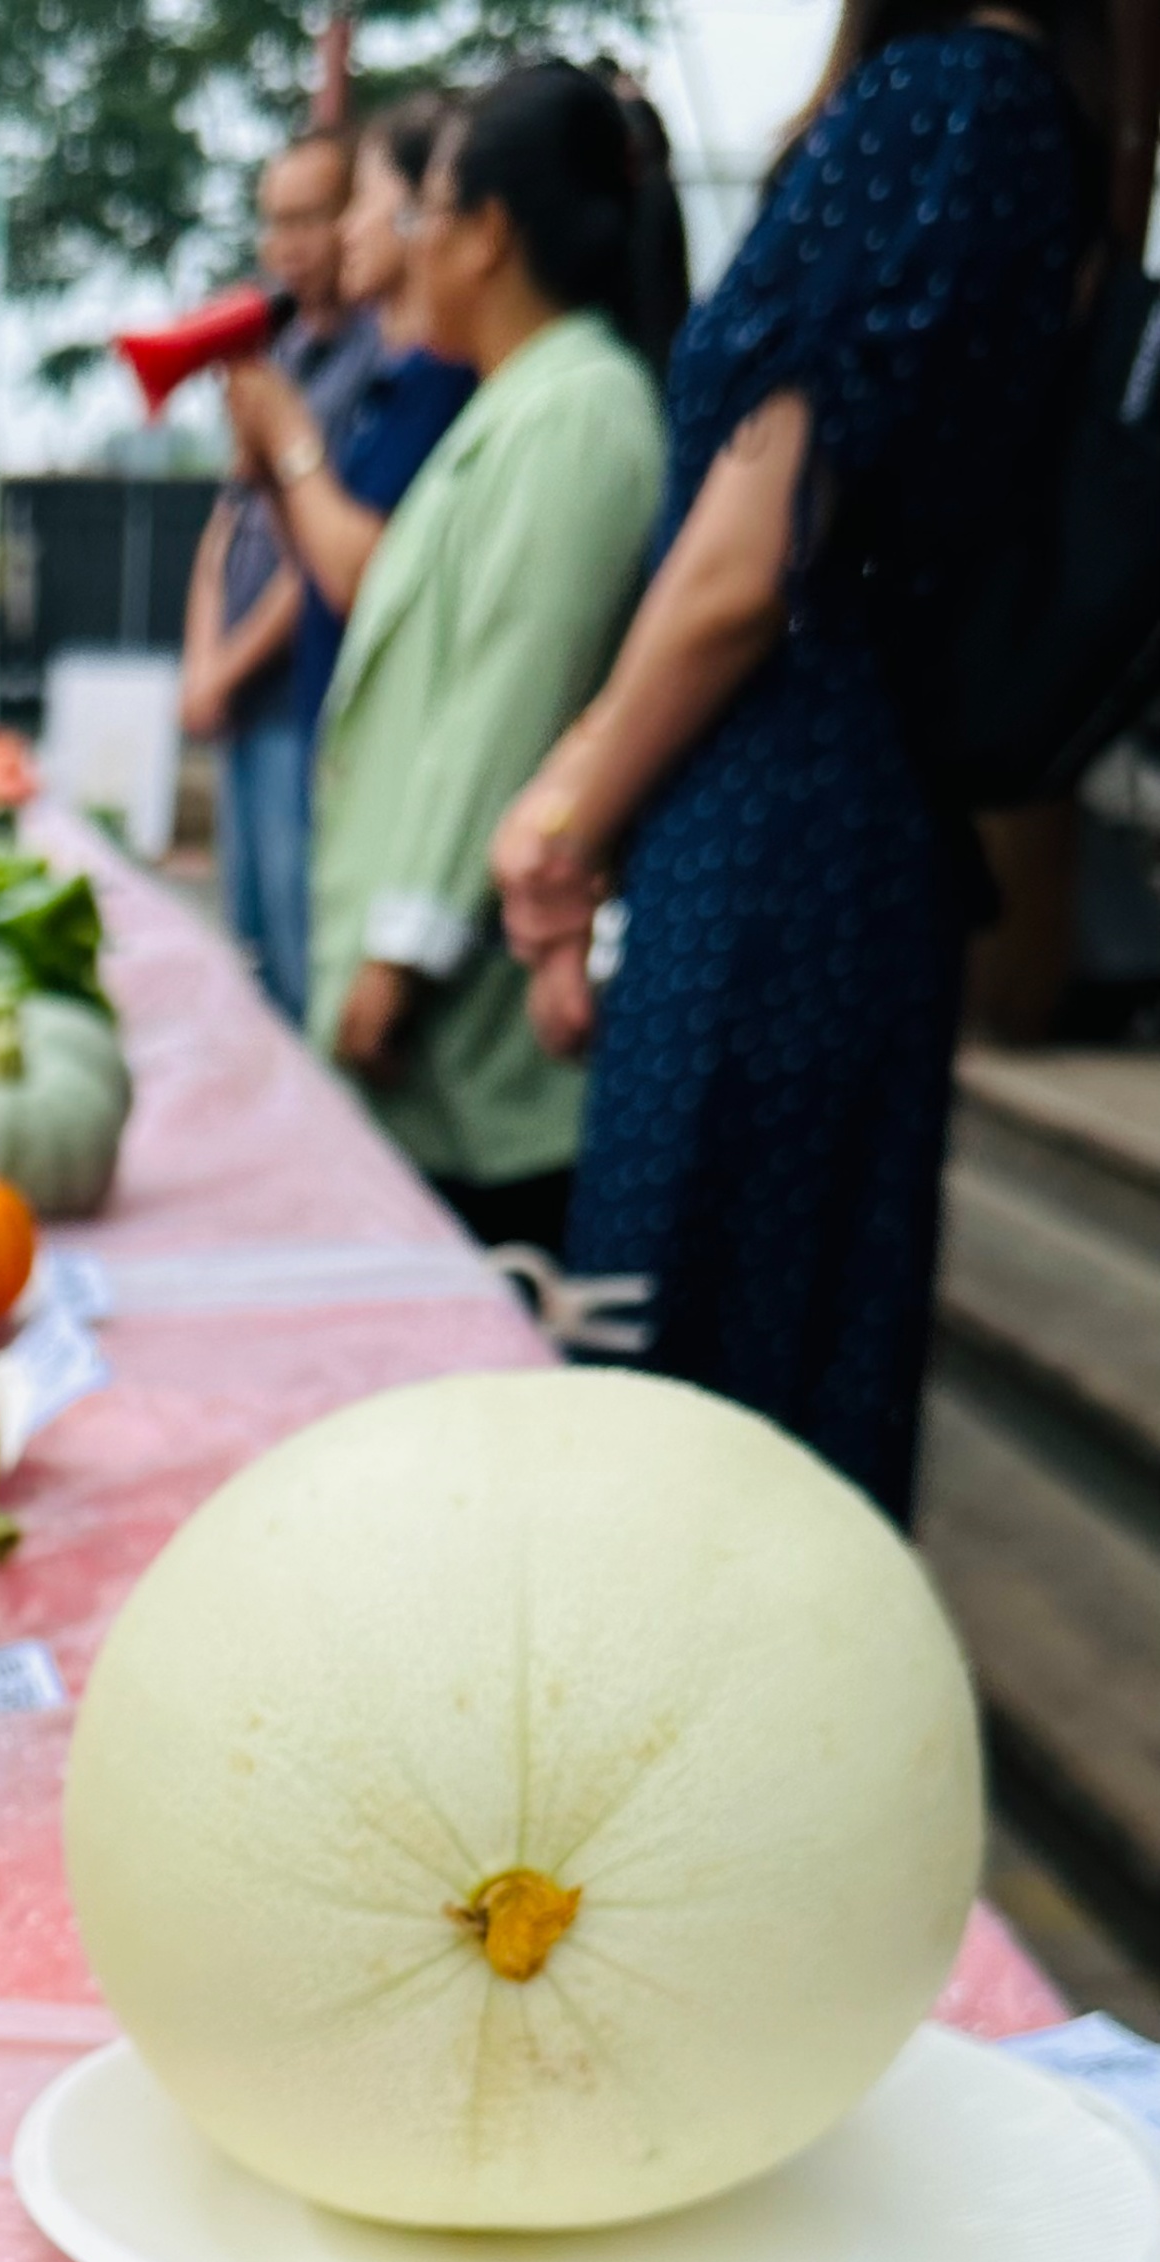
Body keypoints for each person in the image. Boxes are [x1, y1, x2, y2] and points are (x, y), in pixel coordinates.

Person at [495, 0, 1100, 1523]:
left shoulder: (945, 99)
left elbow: (744, 569)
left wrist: (564, 828)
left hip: (783, 850)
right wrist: (584, 793)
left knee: (681, 1418)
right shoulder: (992, 106)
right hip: (816, 835)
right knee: (741, 1415)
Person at [307, 70, 670, 1250]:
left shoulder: (576, 414)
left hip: (471, 1041)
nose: (406, 244)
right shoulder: (523, 403)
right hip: (443, 1032)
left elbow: (503, 710)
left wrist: (398, 958)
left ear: (488, 235)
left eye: (423, 212)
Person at [178, 131, 380, 1020]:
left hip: (302, 709)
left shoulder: (377, 360)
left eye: (309, 218)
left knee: (303, 972)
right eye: (274, 222)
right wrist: (200, 664)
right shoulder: (284, 355)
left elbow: (326, 555)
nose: (286, 245)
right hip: (239, 707)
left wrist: (222, 671)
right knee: (250, 959)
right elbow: (232, 519)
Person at [221, 102, 475, 750]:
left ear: (424, 213)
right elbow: (313, 552)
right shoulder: (382, 370)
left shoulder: (433, 378)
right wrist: (270, 471)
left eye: (359, 201)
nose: (346, 229)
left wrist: (289, 438)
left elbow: (356, 577)